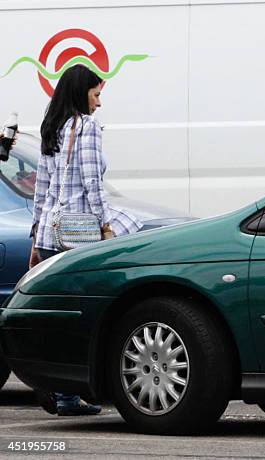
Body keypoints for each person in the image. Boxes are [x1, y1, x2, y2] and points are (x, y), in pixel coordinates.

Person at [30, 64, 142, 415]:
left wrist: (36, 238)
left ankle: (57, 389)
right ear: (82, 93)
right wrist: (108, 230)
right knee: (84, 318)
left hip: (50, 233)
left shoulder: (52, 128)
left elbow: (41, 190)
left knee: (54, 319)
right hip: (78, 238)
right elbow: (94, 184)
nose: (99, 103)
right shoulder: (88, 128)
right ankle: (71, 393)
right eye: (96, 94)